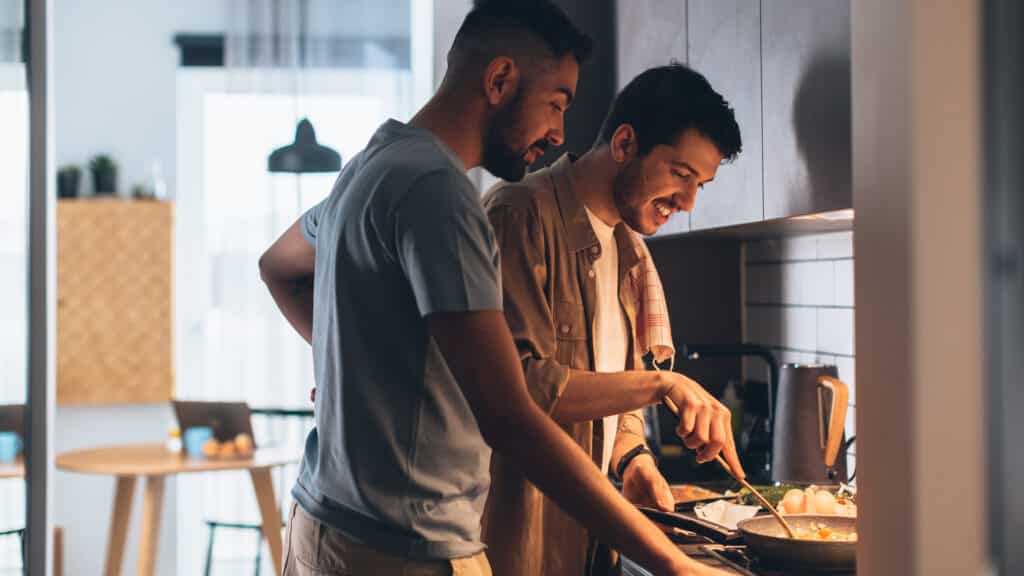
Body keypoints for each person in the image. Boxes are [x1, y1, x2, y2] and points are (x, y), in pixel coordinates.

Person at [260, 1, 734, 574]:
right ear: (500, 80)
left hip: (324, 527)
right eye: (556, 104)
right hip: (406, 549)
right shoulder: (439, 192)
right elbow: (510, 415)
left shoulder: (371, 166)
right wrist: (670, 563)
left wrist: (357, 366)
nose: (560, 132)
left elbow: (279, 265)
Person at [480, 63, 745, 575]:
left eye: (701, 186)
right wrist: (661, 384)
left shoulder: (628, 252)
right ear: (624, 144)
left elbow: (603, 387)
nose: (688, 203)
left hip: (588, 547)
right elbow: (518, 389)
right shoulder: (519, 216)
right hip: (517, 547)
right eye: (680, 174)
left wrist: (632, 459)